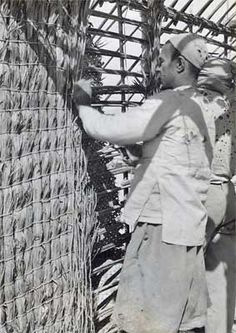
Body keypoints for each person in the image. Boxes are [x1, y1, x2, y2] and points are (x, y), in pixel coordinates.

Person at [73, 33, 223, 333]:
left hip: (161, 227)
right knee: (178, 321)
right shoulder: (203, 107)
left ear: (180, 65)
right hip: (187, 226)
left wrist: (83, 102)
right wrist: (143, 153)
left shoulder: (169, 102)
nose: (157, 67)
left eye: (163, 61)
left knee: (148, 323)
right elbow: (178, 153)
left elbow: (108, 128)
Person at [197, 58, 236, 333]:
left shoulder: (199, 104)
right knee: (223, 280)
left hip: (201, 195)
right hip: (229, 195)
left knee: (179, 273)